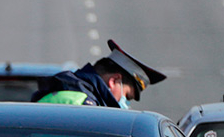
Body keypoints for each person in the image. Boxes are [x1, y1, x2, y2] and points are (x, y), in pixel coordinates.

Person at [32, 39, 166, 106]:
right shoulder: (84, 106)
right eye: (127, 96)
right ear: (114, 81)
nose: (126, 105)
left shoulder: (73, 92)